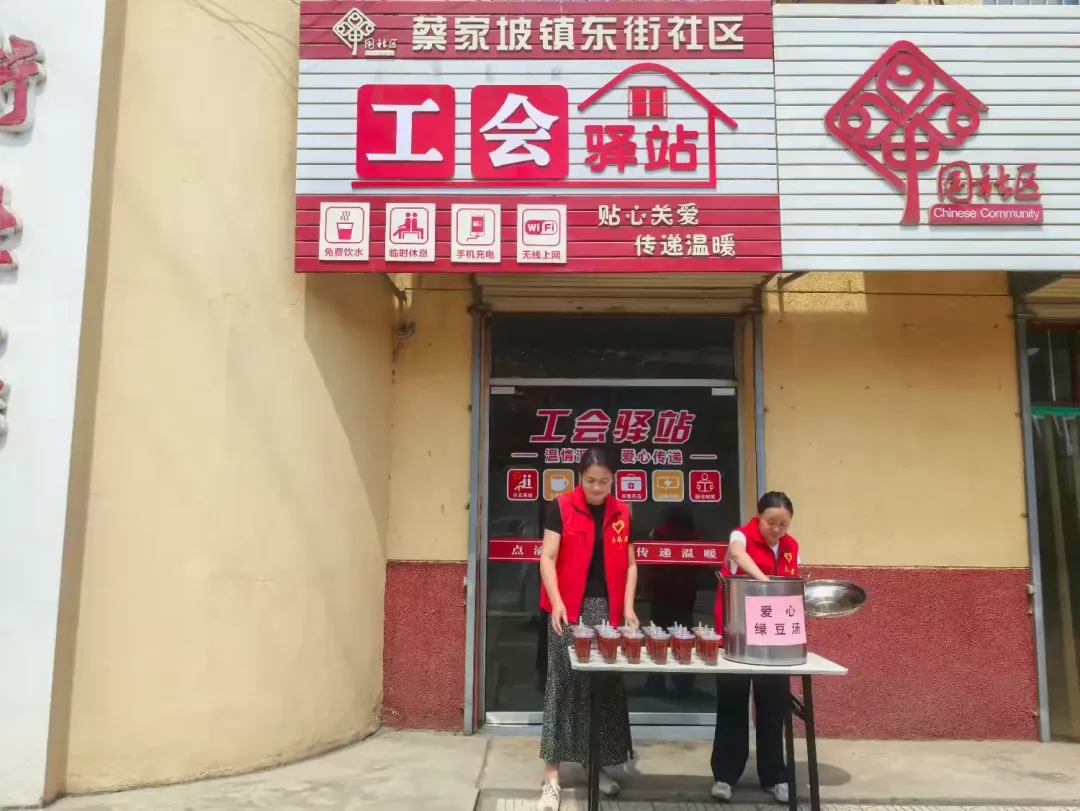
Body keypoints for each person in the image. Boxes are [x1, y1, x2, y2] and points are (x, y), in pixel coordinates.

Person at [537, 448, 639, 811]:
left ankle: (595, 766)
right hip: (568, 610)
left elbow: (630, 565)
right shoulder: (562, 507)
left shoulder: (622, 511)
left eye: (604, 481)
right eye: (590, 481)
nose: (597, 488)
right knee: (563, 685)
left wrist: (628, 607)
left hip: (608, 612)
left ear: (614, 480)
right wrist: (557, 601)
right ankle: (552, 777)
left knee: (604, 688)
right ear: (580, 477)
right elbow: (548, 557)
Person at [710, 492, 801, 804]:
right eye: (771, 522)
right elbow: (737, 555)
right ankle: (725, 776)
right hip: (736, 637)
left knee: (773, 708)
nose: (777, 530)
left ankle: (775, 776)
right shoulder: (741, 536)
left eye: (783, 524)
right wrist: (766, 582)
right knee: (732, 706)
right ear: (758, 516)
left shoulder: (791, 547)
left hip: (774, 643)